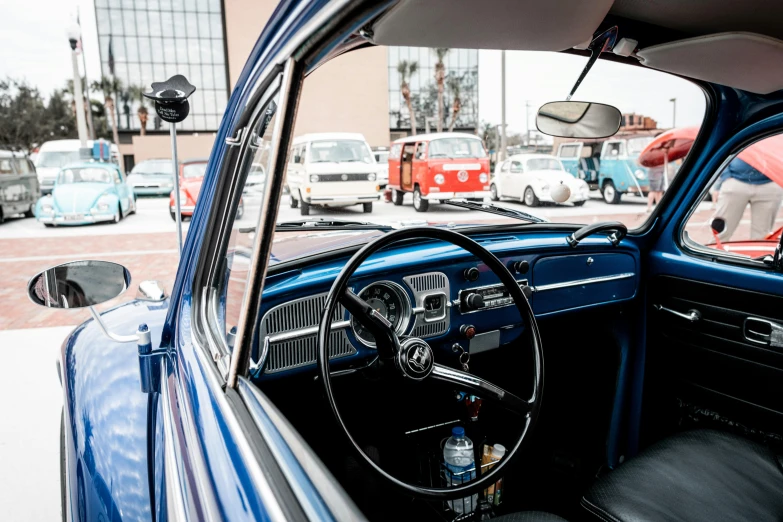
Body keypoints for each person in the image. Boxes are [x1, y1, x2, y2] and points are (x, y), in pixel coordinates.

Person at [713, 157, 783, 241]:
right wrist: (725, 177)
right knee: (720, 231)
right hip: (735, 180)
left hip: (769, 183)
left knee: (762, 236)